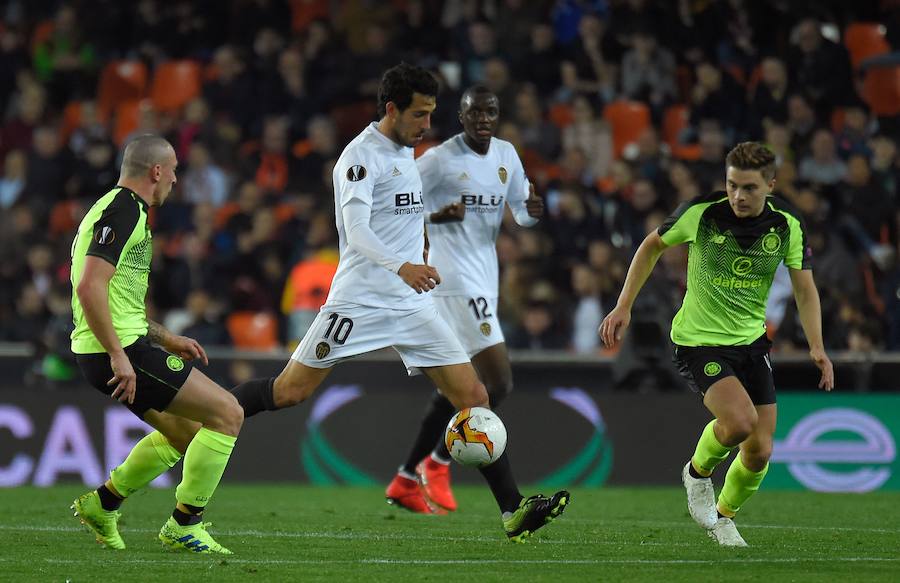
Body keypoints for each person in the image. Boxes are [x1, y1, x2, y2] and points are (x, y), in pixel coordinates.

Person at [229, 63, 568, 542]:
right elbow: (359, 233)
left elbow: (400, 213)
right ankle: (215, 411)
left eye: (431, 114)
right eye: (420, 114)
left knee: (474, 397)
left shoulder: (408, 151)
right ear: (392, 109)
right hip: (360, 300)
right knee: (289, 393)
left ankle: (513, 511)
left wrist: (428, 231)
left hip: (411, 304)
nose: (427, 124)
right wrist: (403, 265)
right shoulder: (359, 157)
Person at [600, 142, 834, 547]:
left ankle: (724, 517)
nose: (739, 196)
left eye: (749, 188)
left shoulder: (787, 224)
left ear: (771, 185)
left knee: (760, 450)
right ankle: (697, 472)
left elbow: (805, 289)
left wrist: (817, 346)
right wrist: (624, 306)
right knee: (740, 422)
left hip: (751, 344)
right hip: (699, 342)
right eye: (732, 185)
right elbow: (651, 245)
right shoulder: (702, 213)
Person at [69, 135, 243, 554]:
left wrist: (167, 337)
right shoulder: (123, 210)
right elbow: (90, 286)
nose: (176, 180)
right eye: (175, 170)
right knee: (227, 413)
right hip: (118, 351)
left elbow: (118, 301)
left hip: (115, 345)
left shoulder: (118, 210)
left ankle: (103, 503)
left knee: (187, 434)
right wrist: (118, 355)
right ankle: (186, 524)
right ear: (156, 171)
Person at [385, 85, 544, 514]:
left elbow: (522, 213)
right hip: (454, 283)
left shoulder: (506, 156)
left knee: (459, 387)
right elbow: (396, 203)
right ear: (462, 116)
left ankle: (405, 476)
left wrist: (532, 210)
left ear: (498, 114)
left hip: (484, 280)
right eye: (475, 113)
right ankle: (438, 463)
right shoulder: (439, 159)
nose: (483, 120)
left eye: (490, 112)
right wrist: (436, 216)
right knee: (497, 383)